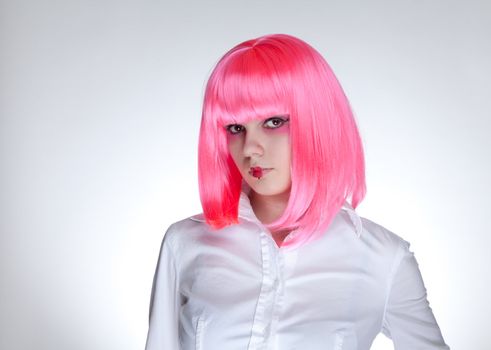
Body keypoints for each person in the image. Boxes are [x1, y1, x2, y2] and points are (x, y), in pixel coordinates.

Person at [144, 33, 450, 349]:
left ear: (319, 121)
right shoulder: (185, 244)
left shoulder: (384, 259)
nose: (251, 148)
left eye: (274, 122)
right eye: (236, 128)